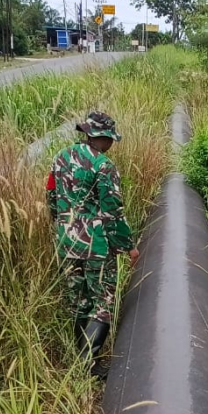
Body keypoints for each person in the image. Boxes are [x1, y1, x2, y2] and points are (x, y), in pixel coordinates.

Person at [45, 111, 140, 379]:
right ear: (102, 137)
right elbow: (112, 212)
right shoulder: (103, 166)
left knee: (78, 300)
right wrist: (129, 246)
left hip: (66, 242)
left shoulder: (60, 157)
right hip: (95, 245)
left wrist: (63, 226)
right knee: (103, 302)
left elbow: (51, 196)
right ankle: (89, 364)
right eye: (110, 139)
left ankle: (81, 357)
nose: (111, 144)